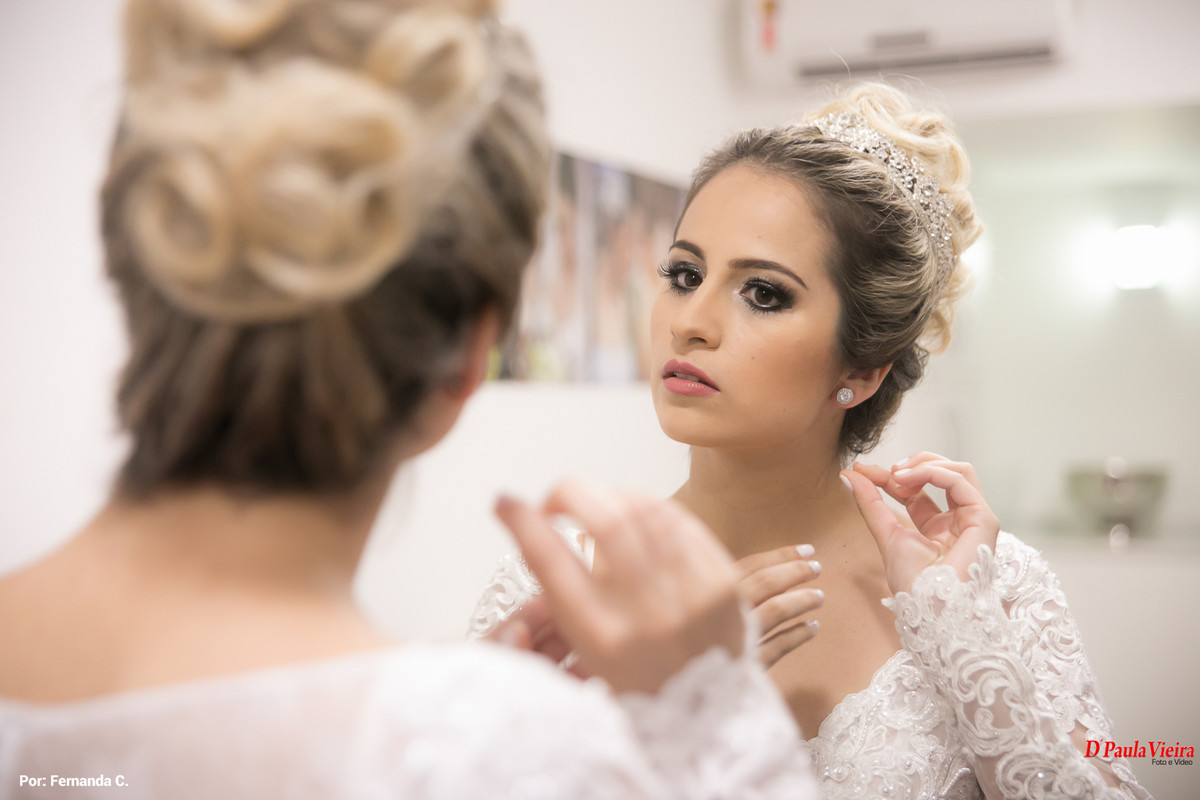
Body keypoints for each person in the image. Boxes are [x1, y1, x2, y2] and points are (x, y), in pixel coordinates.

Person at [0, 1, 821, 797]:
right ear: (470, 356)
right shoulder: (496, 751)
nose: (694, 322)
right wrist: (712, 728)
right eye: (682, 276)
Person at [473, 84, 1151, 799]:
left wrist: (963, 636)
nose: (690, 321)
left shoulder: (987, 585)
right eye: (684, 274)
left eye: (763, 293)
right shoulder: (552, 589)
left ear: (859, 370)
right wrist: (639, 733)